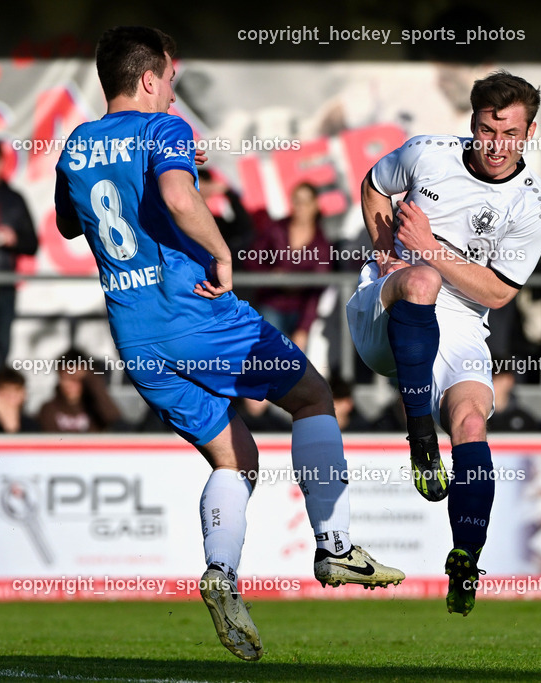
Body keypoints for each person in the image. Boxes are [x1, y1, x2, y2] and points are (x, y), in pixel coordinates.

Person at [54, 26, 402, 662]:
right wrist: (219, 252)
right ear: (151, 78)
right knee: (312, 395)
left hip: (137, 337)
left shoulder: (76, 144)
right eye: (172, 79)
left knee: (236, 457)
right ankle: (336, 547)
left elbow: (68, 222)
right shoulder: (164, 128)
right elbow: (177, 194)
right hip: (200, 317)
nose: (174, 90)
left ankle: (221, 573)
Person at [347, 70, 541, 615]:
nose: (497, 145)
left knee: (471, 423)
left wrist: (429, 247)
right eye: (488, 130)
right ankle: (418, 431)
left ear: (530, 132)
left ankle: (465, 556)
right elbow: (373, 183)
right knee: (421, 280)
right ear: (473, 123)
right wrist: (388, 248)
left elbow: (499, 292)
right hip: (389, 307)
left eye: (510, 133)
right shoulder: (426, 154)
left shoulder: (534, 205)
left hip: (463, 321)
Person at [246, 182, 332, 351]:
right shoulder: (275, 229)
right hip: (271, 302)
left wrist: (304, 328)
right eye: (297, 201)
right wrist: (271, 275)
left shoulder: (322, 244)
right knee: (270, 358)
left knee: (297, 365)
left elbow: (317, 289)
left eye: (306, 201)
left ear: (315, 205)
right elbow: (251, 260)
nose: (301, 207)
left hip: (300, 309)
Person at [0, 138, 39, 379]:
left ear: (0, 163)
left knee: (0, 348)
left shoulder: (14, 199)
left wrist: (13, 239)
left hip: (4, 287)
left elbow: (32, 244)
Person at [37, 349, 123, 433]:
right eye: (65, 378)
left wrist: (89, 377)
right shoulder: (48, 409)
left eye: (75, 378)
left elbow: (113, 418)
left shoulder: (95, 407)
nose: (69, 384)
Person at [0, 365, 39, 433]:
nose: (11, 398)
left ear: (23, 394)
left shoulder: (31, 425)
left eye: (16, 391)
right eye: (5, 392)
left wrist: (12, 428)